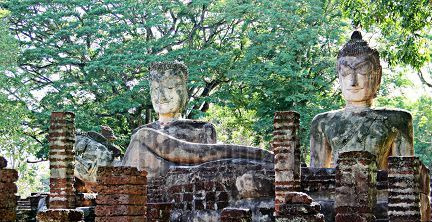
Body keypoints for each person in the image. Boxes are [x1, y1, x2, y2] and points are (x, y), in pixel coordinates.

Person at [122, 61, 272, 177]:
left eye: (169, 88)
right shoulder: (141, 132)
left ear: (183, 92)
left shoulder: (201, 129)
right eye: (154, 89)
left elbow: (208, 166)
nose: (160, 96)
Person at [309, 31, 414, 169]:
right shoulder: (322, 122)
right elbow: (317, 176)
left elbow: (405, 176)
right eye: (346, 72)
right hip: (336, 190)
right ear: (339, 77)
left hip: (381, 190)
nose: (353, 82)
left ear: (378, 75)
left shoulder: (398, 120)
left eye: (362, 71)